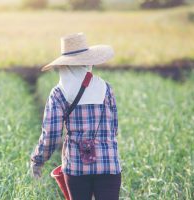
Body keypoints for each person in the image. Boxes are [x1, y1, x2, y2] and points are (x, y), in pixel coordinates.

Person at [30, 33, 122, 200]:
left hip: (77, 167)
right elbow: (114, 129)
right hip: (109, 164)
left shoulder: (59, 93)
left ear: (64, 65)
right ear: (87, 63)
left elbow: (51, 135)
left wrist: (38, 160)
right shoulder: (106, 88)